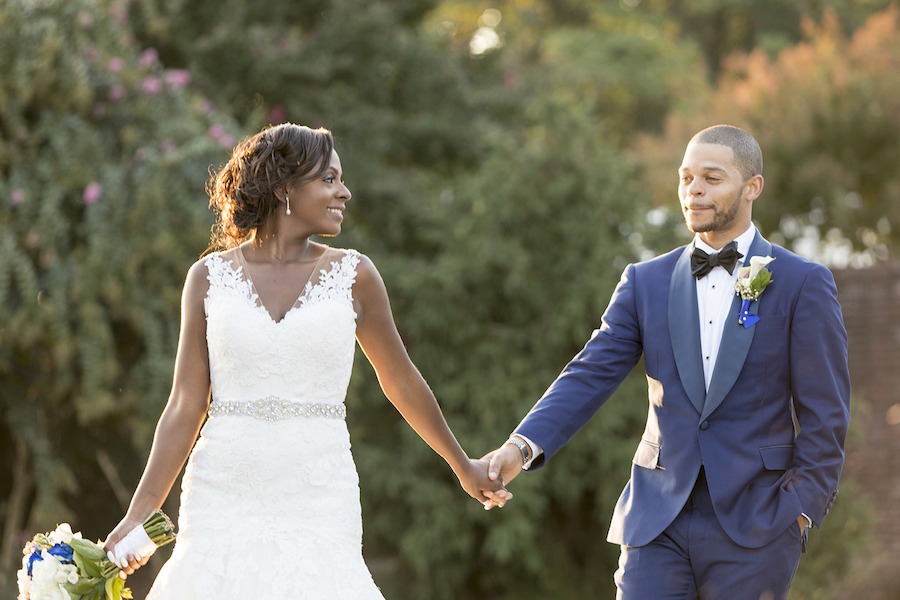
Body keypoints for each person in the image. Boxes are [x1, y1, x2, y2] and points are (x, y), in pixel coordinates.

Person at [103, 123, 505, 598]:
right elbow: (185, 404)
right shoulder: (207, 278)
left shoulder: (355, 275)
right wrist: (140, 511)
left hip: (318, 492)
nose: (345, 192)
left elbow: (402, 382)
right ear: (283, 188)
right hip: (223, 493)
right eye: (329, 180)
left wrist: (463, 466)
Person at [481, 125, 850, 600]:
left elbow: (827, 412)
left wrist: (799, 510)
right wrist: (520, 448)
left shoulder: (802, 282)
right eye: (685, 177)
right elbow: (590, 373)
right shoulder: (644, 281)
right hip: (656, 520)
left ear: (752, 186)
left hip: (758, 522)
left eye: (712, 178)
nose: (693, 189)